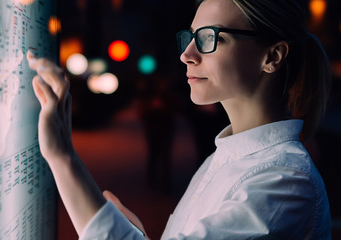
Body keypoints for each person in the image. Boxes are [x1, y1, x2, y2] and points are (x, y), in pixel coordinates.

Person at [26, 0, 332, 238]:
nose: (187, 54)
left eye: (210, 37)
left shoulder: (285, 183)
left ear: (272, 57)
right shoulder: (227, 158)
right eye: (191, 37)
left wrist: (61, 155)